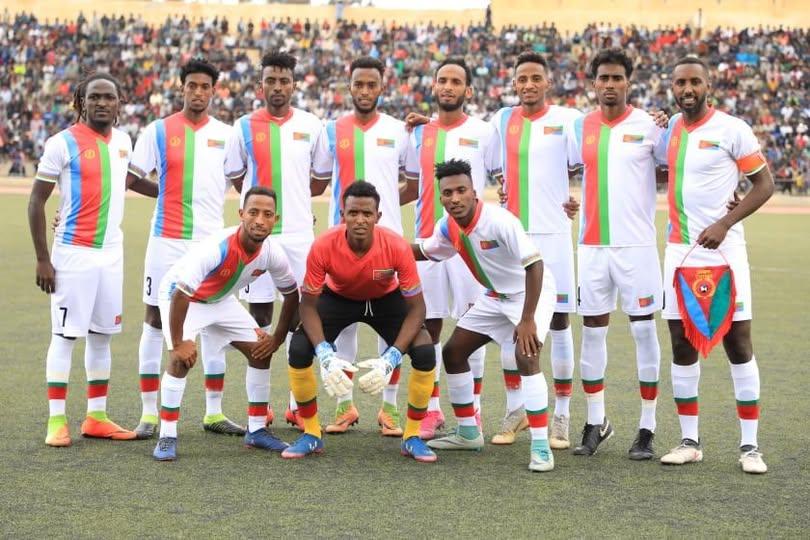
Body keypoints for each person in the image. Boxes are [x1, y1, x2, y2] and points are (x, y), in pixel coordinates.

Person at [28, 72, 156, 447]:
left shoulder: (124, 141)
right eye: (95, 97)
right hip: (73, 253)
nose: (102, 103)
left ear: (119, 104)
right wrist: (42, 259)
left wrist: (172, 192)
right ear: (81, 102)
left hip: (111, 254)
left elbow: (129, 182)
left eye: (109, 97)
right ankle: (56, 421)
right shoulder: (61, 143)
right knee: (65, 335)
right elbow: (36, 201)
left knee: (102, 336)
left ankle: (96, 416)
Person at [658, 57, 773, 474]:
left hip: (725, 251)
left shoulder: (732, 129)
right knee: (681, 342)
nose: (687, 89)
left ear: (709, 85)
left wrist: (726, 222)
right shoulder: (669, 129)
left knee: (738, 342)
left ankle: (750, 447)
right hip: (679, 250)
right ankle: (690, 441)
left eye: (695, 82)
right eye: (680, 83)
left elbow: (764, 184)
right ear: (672, 88)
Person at [414, 159, 557, 472]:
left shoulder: (499, 221)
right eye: (448, 193)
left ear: (474, 192)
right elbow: (425, 251)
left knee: (526, 356)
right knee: (453, 353)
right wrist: (381, 248)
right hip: (495, 297)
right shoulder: (447, 226)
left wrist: (527, 319)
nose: (455, 198)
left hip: (530, 293)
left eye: (461, 190)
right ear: (441, 197)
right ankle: (468, 433)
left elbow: (535, 264)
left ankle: (541, 446)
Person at [127, 58, 243, 439]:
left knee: (212, 323)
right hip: (165, 240)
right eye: (191, 85)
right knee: (154, 320)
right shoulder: (157, 131)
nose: (198, 92)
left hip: (210, 244)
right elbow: (130, 178)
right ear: (182, 88)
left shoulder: (227, 135)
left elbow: (244, 184)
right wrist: (164, 192)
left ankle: (214, 412)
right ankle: (148, 414)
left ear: (213, 91)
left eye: (205, 86)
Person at [281, 182, 437, 463]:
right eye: (353, 213)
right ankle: (311, 433)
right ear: (342, 214)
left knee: (425, 350)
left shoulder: (396, 246)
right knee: (299, 348)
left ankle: (412, 437)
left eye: (367, 214)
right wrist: (324, 353)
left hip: (386, 300)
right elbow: (308, 306)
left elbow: (417, 309)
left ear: (378, 216)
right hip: (338, 298)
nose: (360, 220)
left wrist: (392, 357)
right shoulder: (324, 245)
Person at [566, 48, 666, 459]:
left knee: (643, 331)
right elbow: (561, 169)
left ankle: (647, 427)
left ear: (629, 82)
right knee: (592, 331)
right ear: (593, 83)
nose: (610, 85)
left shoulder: (651, 126)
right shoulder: (579, 126)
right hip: (592, 246)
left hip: (636, 247)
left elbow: (676, 167)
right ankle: (596, 422)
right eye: (603, 78)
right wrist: (564, 202)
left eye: (617, 78)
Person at [152, 186, 300, 461]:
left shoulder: (272, 252)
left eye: (267, 214)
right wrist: (178, 344)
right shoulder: (217, 247)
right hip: (182, 298)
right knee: (180, 360)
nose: (259, 220)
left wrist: (277, 338)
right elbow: (181, 293)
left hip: (220, 300)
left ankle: (256, 430)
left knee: (260, 350)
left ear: (275, 219)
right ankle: (167, 436)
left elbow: (291, 294)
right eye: (253, 212)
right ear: (241, 213)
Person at [225, 51, 332, 428]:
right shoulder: (242, 126)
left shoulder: (311, 125)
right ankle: (260, 404)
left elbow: (320, 179)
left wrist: (296, 202)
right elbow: (237, 177)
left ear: (294, 85)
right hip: (257, 237)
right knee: (260, 316)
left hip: (299, 235)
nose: (277, 87)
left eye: (284, 80)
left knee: (302, 314)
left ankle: (295, 404)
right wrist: (259, 213)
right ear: (261, 85)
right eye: (270, 80)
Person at [402, 57, 503, 439]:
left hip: (471, 247)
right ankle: (431, 409)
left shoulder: (485, 132)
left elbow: (504, 181)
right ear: (433, 86)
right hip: (427, 244)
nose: (448, 86)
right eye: (442, 80)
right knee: (426, 324)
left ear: (468, 90)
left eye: (456, 81)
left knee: (473, 323)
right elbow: (412, 184)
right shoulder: (417, 132)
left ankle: (472, 409)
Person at [489, 50, 582, 447]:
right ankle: (517, 409)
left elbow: (592, 161)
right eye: (522, 79)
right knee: (512, 321)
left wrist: (575, 200)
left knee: (558, 322)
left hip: (554, 235)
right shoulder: (501, 119)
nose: (528, 84)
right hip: (513, 236)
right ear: (514, 83)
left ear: (548, 82)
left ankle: (561, 414)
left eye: (535, 78)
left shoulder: (568, 120)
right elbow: (483, 157)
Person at [317, 56, 413, 436]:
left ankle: (389, 409)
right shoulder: (331, 130)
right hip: (340, 243)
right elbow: (319, 179)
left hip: (387, 244)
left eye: (372, 84)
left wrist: (378, 214)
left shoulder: (399, 130)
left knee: (391, 324)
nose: (365, 90)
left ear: (382, 87)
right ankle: (345, 405)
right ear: (350, 86)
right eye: (359, 84)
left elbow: (415, 182)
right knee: (343, 328)